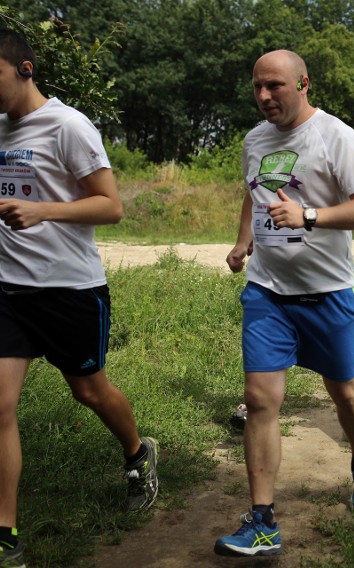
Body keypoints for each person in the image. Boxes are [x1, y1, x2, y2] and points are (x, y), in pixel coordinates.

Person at [216, 50, 354, 557]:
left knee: (345, 394)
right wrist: (244, 240)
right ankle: (262, 521)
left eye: (275, 87)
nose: (265, 97)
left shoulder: (337, 136)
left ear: (303, 83)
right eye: (257, 88)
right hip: (268, 291)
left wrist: (309, 215)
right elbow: (254, 192)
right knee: (261, 399)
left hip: (327, 292)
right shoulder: (254, 139)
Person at [0, 30, 158, 566]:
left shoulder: (68, 126)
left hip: (69, 289)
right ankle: (5, 533)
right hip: (8, 291)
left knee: (89, 392)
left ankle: (138, 452)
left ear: (24, 68)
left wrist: (43, 210)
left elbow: (111, 207)